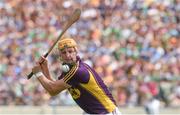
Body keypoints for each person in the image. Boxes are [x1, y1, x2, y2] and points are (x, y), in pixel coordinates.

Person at [31, 37, 121, 115]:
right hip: (91, 112)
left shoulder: (79, 71)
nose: (68, 55)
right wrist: (45, 68)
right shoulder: (69, 70)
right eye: (64, 53)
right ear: (60, 56)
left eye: (70, 51)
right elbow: (54, 88)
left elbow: (52, 89)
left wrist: (38, 73)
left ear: (76, 52)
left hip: (105, 112)